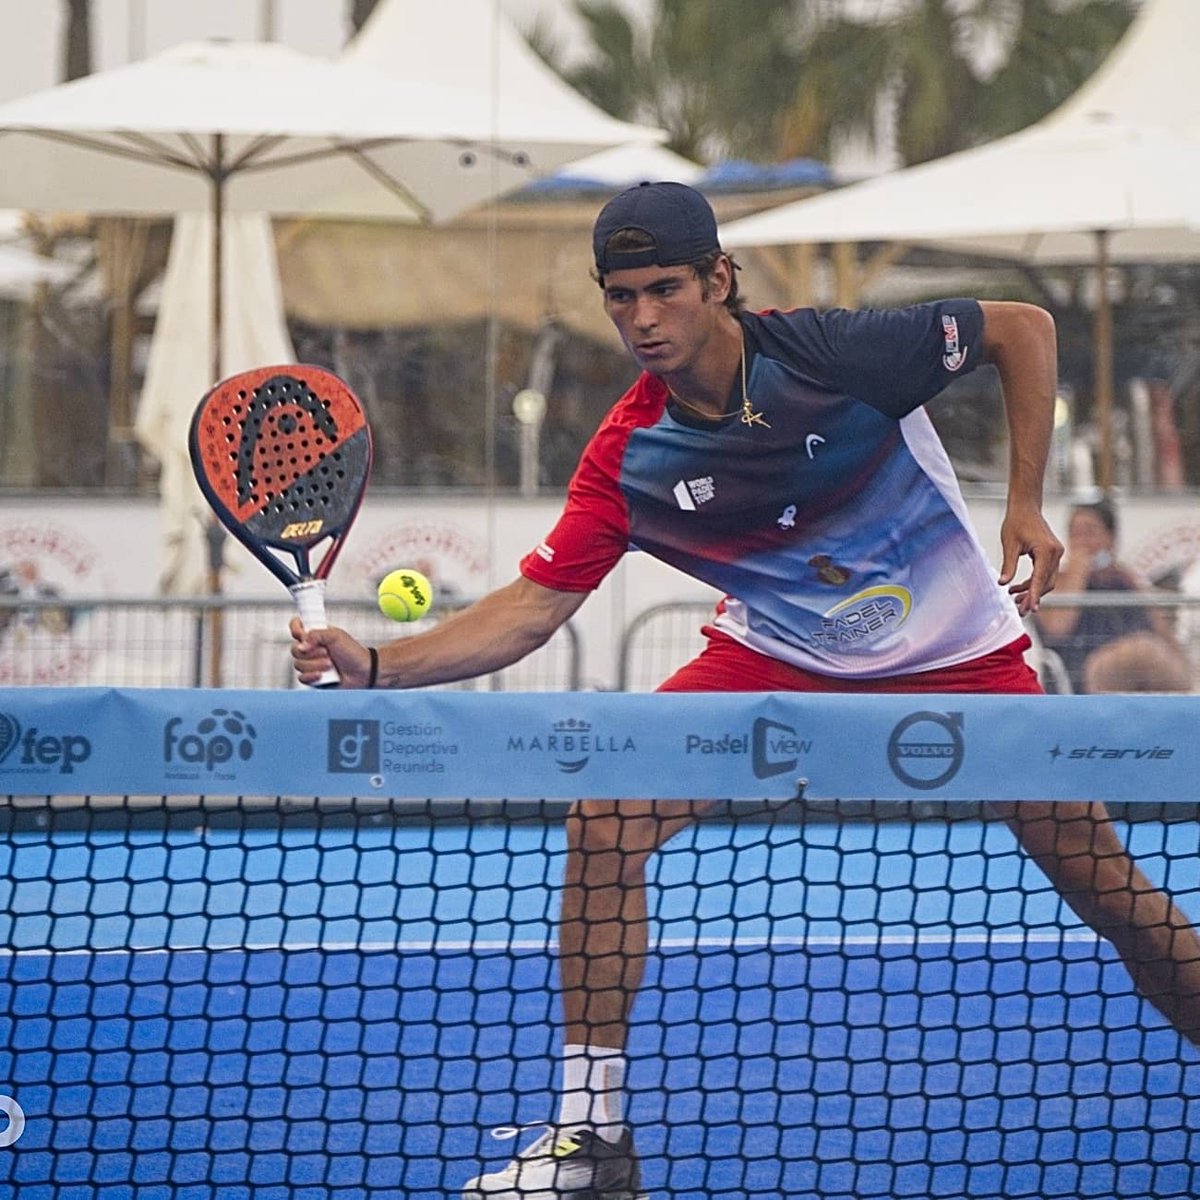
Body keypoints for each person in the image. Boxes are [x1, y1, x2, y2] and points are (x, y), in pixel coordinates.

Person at [291, 182, 1200, 1200]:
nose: (642, 318)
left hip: (958, 653)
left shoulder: (834, 351)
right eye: (620, 296)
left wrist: (1026, 502)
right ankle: (594, 1142)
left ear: (719, 280)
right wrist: (377, 664)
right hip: (775, 660)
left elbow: (1022, 330)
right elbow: (530, 610)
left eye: (665, 289)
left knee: (1110, 891)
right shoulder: (629, 455)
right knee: (606, 822)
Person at [1033, 498, 1165, 692]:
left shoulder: (1124, 580)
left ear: (1110, 539)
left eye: (1090, 532)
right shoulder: (1054, 580)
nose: (1081, 542)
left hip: (1137, 673)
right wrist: (1077, 572)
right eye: (1075, 534)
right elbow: (1057, 628)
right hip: (1079, 675)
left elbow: (1163, 634)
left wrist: (1132, 583)